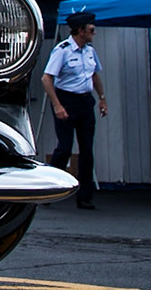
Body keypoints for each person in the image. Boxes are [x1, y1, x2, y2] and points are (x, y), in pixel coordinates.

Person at [44, 11, 108, 210]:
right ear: (80, 30)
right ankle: (50, 189)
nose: (93, 33)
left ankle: (85, 196)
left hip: (85, 101)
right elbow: (47, 78)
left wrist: (102, 99)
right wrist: (57, 106)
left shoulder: (90, 51)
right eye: (90, 29)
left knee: (87, 149)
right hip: (66, 99)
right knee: (64, 147)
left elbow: (95, 75)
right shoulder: (62, 50)